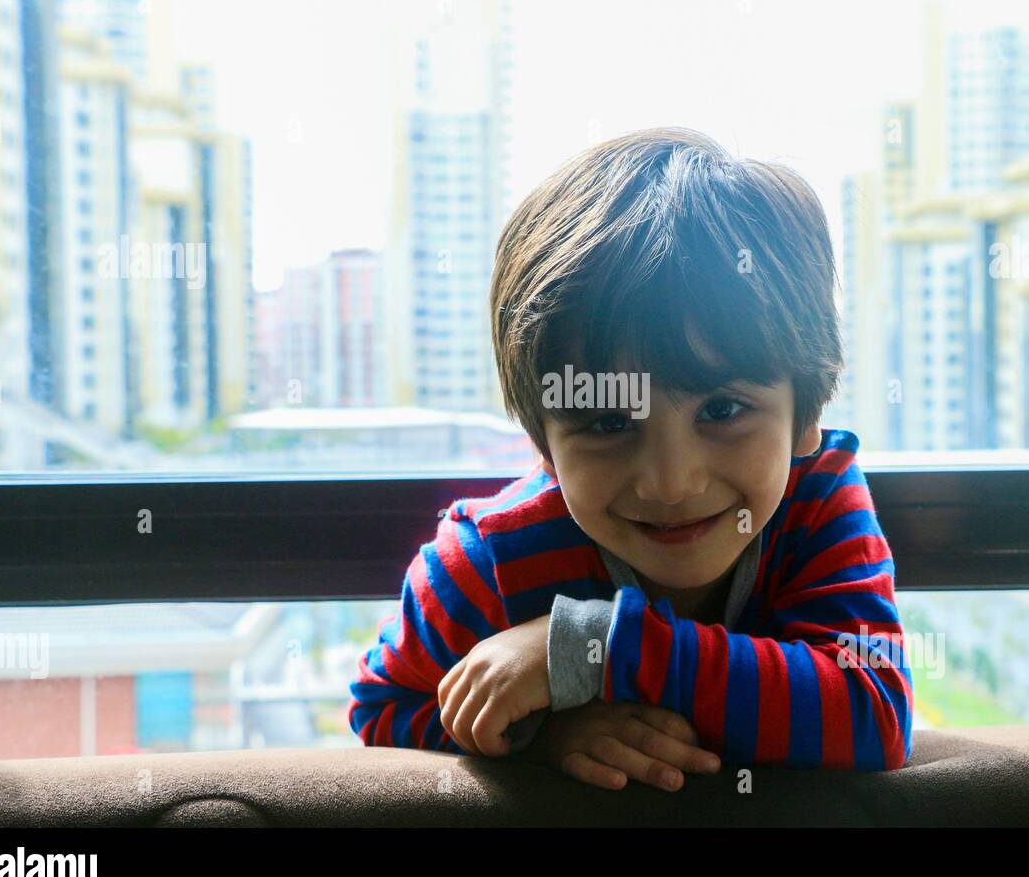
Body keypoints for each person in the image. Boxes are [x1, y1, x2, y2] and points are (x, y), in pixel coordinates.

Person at [349, 127, 913, 790]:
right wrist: (540, 734)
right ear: (543, 444)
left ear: (806, 417)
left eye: (724, 410)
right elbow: (385, 705)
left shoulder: (816, 502)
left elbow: (872, 713)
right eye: (610, 421)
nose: (672, 483)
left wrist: (592, 646)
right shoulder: (486, 565)